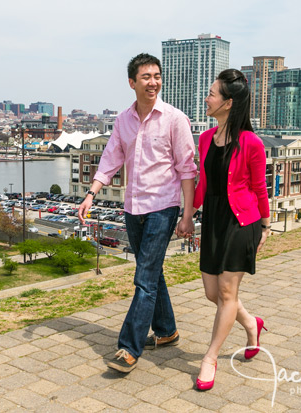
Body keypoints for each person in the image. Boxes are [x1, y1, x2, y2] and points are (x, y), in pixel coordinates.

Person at [78, 53, 197, 373]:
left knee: (143, 278)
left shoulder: (175, 118)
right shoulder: (123, 121)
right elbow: (110, 160)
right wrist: (91, 193)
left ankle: (129, 347)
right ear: (132, 82)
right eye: (146, 77)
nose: (153, 82)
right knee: (153, 272)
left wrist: (187, 215)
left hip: (164, 207)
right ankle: (167, 331)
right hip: (133, 208)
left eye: (157, 76)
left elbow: (188, 170)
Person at [176, 69, 271, 391]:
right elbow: (203, 184)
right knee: (213, 294)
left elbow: (260, 187)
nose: (207, 98)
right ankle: (252, 323)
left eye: (212, 93)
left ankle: (210, 358)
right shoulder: (204, 139)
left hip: (242, 222)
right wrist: (187, 215)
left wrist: (266, 226)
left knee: (228, 293)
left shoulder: (251, 143)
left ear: (228, 103)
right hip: (214, 219)